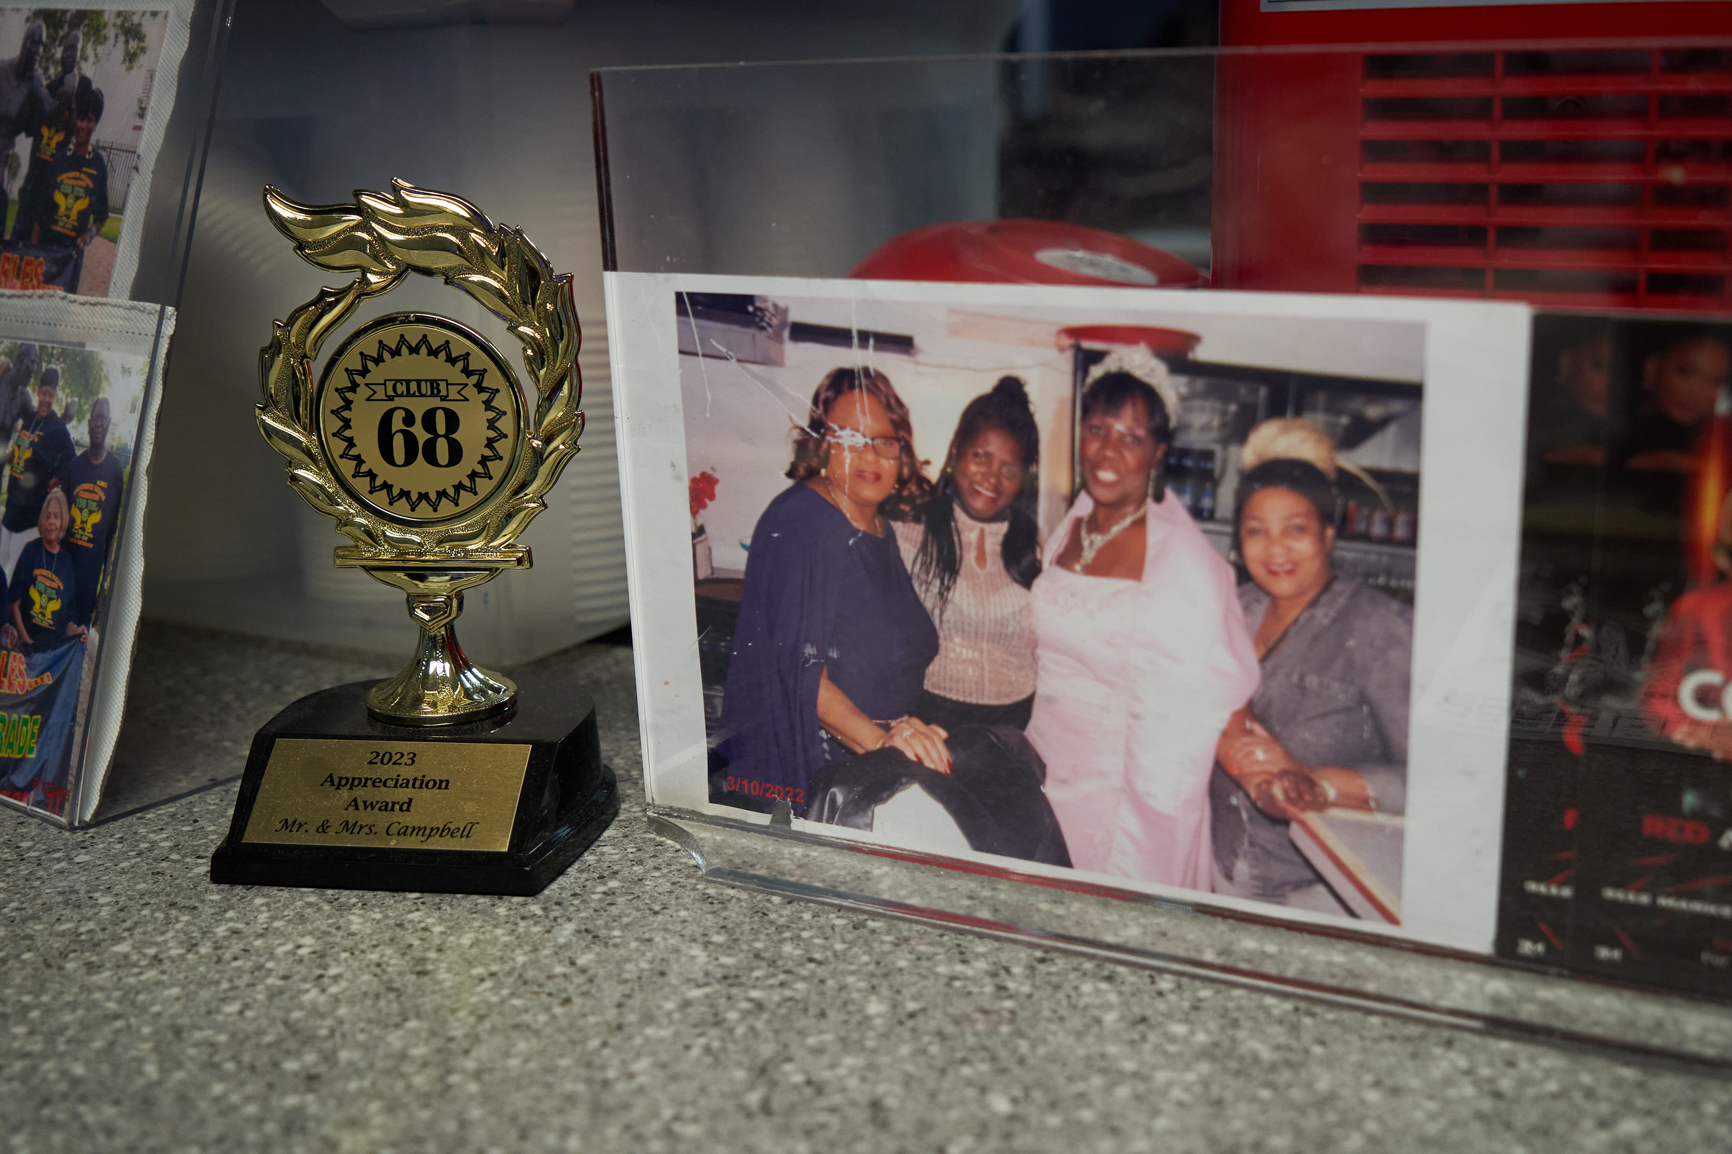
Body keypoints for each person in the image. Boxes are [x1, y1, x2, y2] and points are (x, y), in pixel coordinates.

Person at [1025, 347, 1259, 888]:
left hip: (1118, 798)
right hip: (1041, 768)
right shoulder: (1072, 522)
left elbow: (1212, 696)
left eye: (1132, 439)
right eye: (1099, 429)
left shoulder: (1183, 560)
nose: (1108, 451)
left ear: (1158, 453)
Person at [1209, 419, 1413, 915]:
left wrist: (1319, 783)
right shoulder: (1232, 609)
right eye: (1257, 531)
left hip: (1313, 888)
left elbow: (1439, 779)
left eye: (1294, 529)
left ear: (1327, 534)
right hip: (1220, 860)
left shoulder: (1381, 628)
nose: (1274, 549)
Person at [720, 366, 945, 808]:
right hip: (818, 771)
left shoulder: (880, 527)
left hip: (871, 756)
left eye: (883, 440)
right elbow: (800, 674)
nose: (869, 454)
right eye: (849, 438)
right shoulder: (803, 521)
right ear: (822, 444)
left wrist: (905, 732)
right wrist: (884, 745)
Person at [892, 376, 1042, 732]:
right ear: (957, 448)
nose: (992, 478)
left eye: (1009, 469)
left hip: (1013, 737)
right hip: (925, 729)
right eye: (981, 457)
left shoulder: (1038, 547)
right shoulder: (908, 532)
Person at [12, 28, 88, 245]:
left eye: (74, 49)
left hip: (56, 185)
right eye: (65, 49)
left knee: (44, 253)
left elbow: (77, 133)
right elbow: (33, 127)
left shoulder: (84, 87)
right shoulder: (48, 87)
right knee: (19, 240)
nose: (68, 54)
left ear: (80, 53)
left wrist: (71, 100)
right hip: (34, 178)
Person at [1621, 330, 1732, 474]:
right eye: (1684, 372)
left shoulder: (1719, 442)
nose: (1695, 393)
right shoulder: (1618, 429)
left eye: (1715, 382)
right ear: (1653, 366)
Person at [54, 395, 123, 626]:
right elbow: (60, 525)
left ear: (109, 422)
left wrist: (103, 588)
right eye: (95, 418)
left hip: (89, 584)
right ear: (89, 422)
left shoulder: (115, 472)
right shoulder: (74, 468)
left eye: (103, 419)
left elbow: (111, 536)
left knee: (77, 646)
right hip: (63, 577)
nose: (98, 424)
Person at [0, 366, 73, 584]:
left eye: (51, 395)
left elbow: (71, 458)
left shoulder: (57, 428)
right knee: (1, 567)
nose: (46, 399)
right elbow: (19, 448)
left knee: (13, 576)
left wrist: (54, 481)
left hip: (29, 519)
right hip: (11, 510)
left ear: (55, 396)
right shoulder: (29, 418)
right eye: (43, 393)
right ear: (38, 391)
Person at [35, 87, 106, 294]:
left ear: (95, 123)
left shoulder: (98, 166)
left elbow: (102, 214)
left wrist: (89, 235)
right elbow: (41, 213)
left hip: (70, 261)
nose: (83, 125)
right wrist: (34, 250)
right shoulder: (58, 160)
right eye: (80, 118)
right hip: (46, 252)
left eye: (89, 119)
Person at [3, 486, 83, 654]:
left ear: (63, 521)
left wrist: (75, 631)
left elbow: (67, 618)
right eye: (47, 517)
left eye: (56, 516)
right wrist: (28, 643)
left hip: (50, 655)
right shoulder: (30, 550)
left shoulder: (67, 562)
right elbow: (14, 604)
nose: (51, 522)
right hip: (24, 647)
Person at [0, 21, 46, 234]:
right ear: (24, 43)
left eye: (42, 45)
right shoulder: (2, 70)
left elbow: (49, 111)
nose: (37, 50)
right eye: (34, 43)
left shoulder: (35, 83)